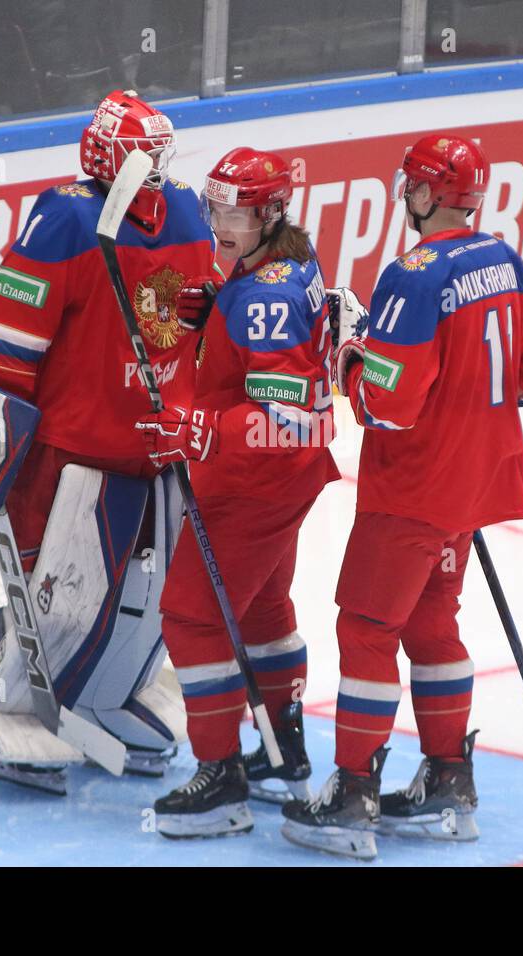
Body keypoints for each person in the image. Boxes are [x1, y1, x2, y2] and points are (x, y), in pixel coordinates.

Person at [280, 133, 523, 860]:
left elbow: (389, 406)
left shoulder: (412, 274)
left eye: (411, 185)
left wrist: (348, 355)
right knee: (433, 620)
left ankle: (351, 796)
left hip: (413, 489)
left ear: (430, 194)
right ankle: (448, 783)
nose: (405, 194)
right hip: (475, 486)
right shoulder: (504, 259)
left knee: (366, 626)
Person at [0, 89, 215, 794]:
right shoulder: (67, 219)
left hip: (160, 452)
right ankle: (9, 705)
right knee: (58, 595)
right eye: (146, 153)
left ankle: (105, 696)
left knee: (157, 597)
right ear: (109, 154)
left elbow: (200, 316)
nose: (160, 165)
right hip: (74, 458)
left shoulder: (189, 212)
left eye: (164, 151)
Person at [136, 147, 339, 838]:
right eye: (215, 207)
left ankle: (220, 779)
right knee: (261, 612)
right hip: (283, 482)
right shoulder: (283, 266)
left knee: (192, 615)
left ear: (271, 213)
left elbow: (294, 418)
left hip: (255, 485)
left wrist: (205, 431)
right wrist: (219, 304)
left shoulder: (266, 296)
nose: (222, 222)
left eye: (239, 212)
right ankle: (284, 756)